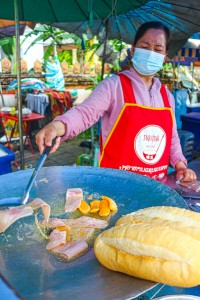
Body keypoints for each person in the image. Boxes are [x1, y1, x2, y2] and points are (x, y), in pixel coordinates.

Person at [36, 21, 196, 183]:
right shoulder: (113, 86)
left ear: (164, 57)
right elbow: (84, 114)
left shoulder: (167, 96)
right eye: (145, 46)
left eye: (158, 49)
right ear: (133, 50)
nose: (150, 52)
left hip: (155, 187)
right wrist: (57, 126)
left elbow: (171, 138)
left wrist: (180, 165)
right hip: (116, 186)